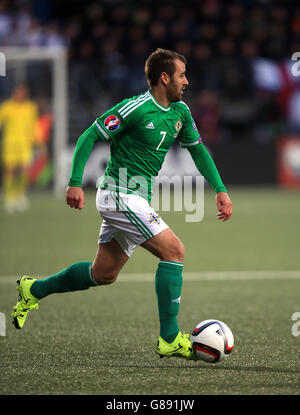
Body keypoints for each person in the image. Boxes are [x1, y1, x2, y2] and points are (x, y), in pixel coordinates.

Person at [12, 49, 232, 361]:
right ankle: (169, 339)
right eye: (182, 75)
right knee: (175, 251)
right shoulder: (135, 108)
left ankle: (33, 290)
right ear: (164, 77)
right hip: (118, 193)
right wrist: (74, 181)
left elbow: (198, 151)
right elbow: (90, 135)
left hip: (136, 198)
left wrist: (219, 189)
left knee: (103, 273)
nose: (187, 81)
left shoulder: (181, 113)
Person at [0, 84, 38, 212]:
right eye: (19, 92)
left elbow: (34, 125)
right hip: (10, 143)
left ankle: (20, 195)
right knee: (9, 170)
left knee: (25, 170)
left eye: (23, 92)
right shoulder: (7, 107)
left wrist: (36, 140)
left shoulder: (30, 107)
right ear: (14, 92)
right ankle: (9, 197)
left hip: (25, 144)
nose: (21, 94)